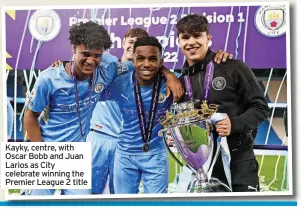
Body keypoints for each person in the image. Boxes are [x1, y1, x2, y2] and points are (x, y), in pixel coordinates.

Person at [23, 21, 182, 195]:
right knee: (35, 204)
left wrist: (170, 75)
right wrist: (42, 153)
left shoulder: (107, 69)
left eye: (97, 55)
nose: (91, 61)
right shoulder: (49, 78)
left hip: (76, 155)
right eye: (85, 53)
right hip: (45, 151)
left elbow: (145, 64)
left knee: (84, 203)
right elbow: (30, 117)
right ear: (73, 48)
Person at [171, 14, 269, 192]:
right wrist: (176, 135)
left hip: (238, 162)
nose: (191, 42)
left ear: (208, 38)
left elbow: (261, 108)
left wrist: (235, 124)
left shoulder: (233, 67)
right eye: (185, 37)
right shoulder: (180, 82)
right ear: (178, 41)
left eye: (197, 35)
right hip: (202, 168)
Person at [99, 36, 175, 193]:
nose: (146, 64)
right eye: (140, 59)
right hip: (125, 155)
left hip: (156, 154)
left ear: (161, 62)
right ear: (132, 61)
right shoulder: (118, 83)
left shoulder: (172, 84)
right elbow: (87, 90)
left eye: (152, 59)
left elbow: (198, 101)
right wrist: (63, 66)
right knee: (124, 206)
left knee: (157, 207)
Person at [86, 28, 149, 194]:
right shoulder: (106, 60)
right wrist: (60, 64)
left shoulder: (147, 74)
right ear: (123, 43)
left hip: (125, 143)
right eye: (130, 42)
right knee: (88, 193)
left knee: (121, 195)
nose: (133, 46)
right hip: (98, 136)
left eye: (138, 44)